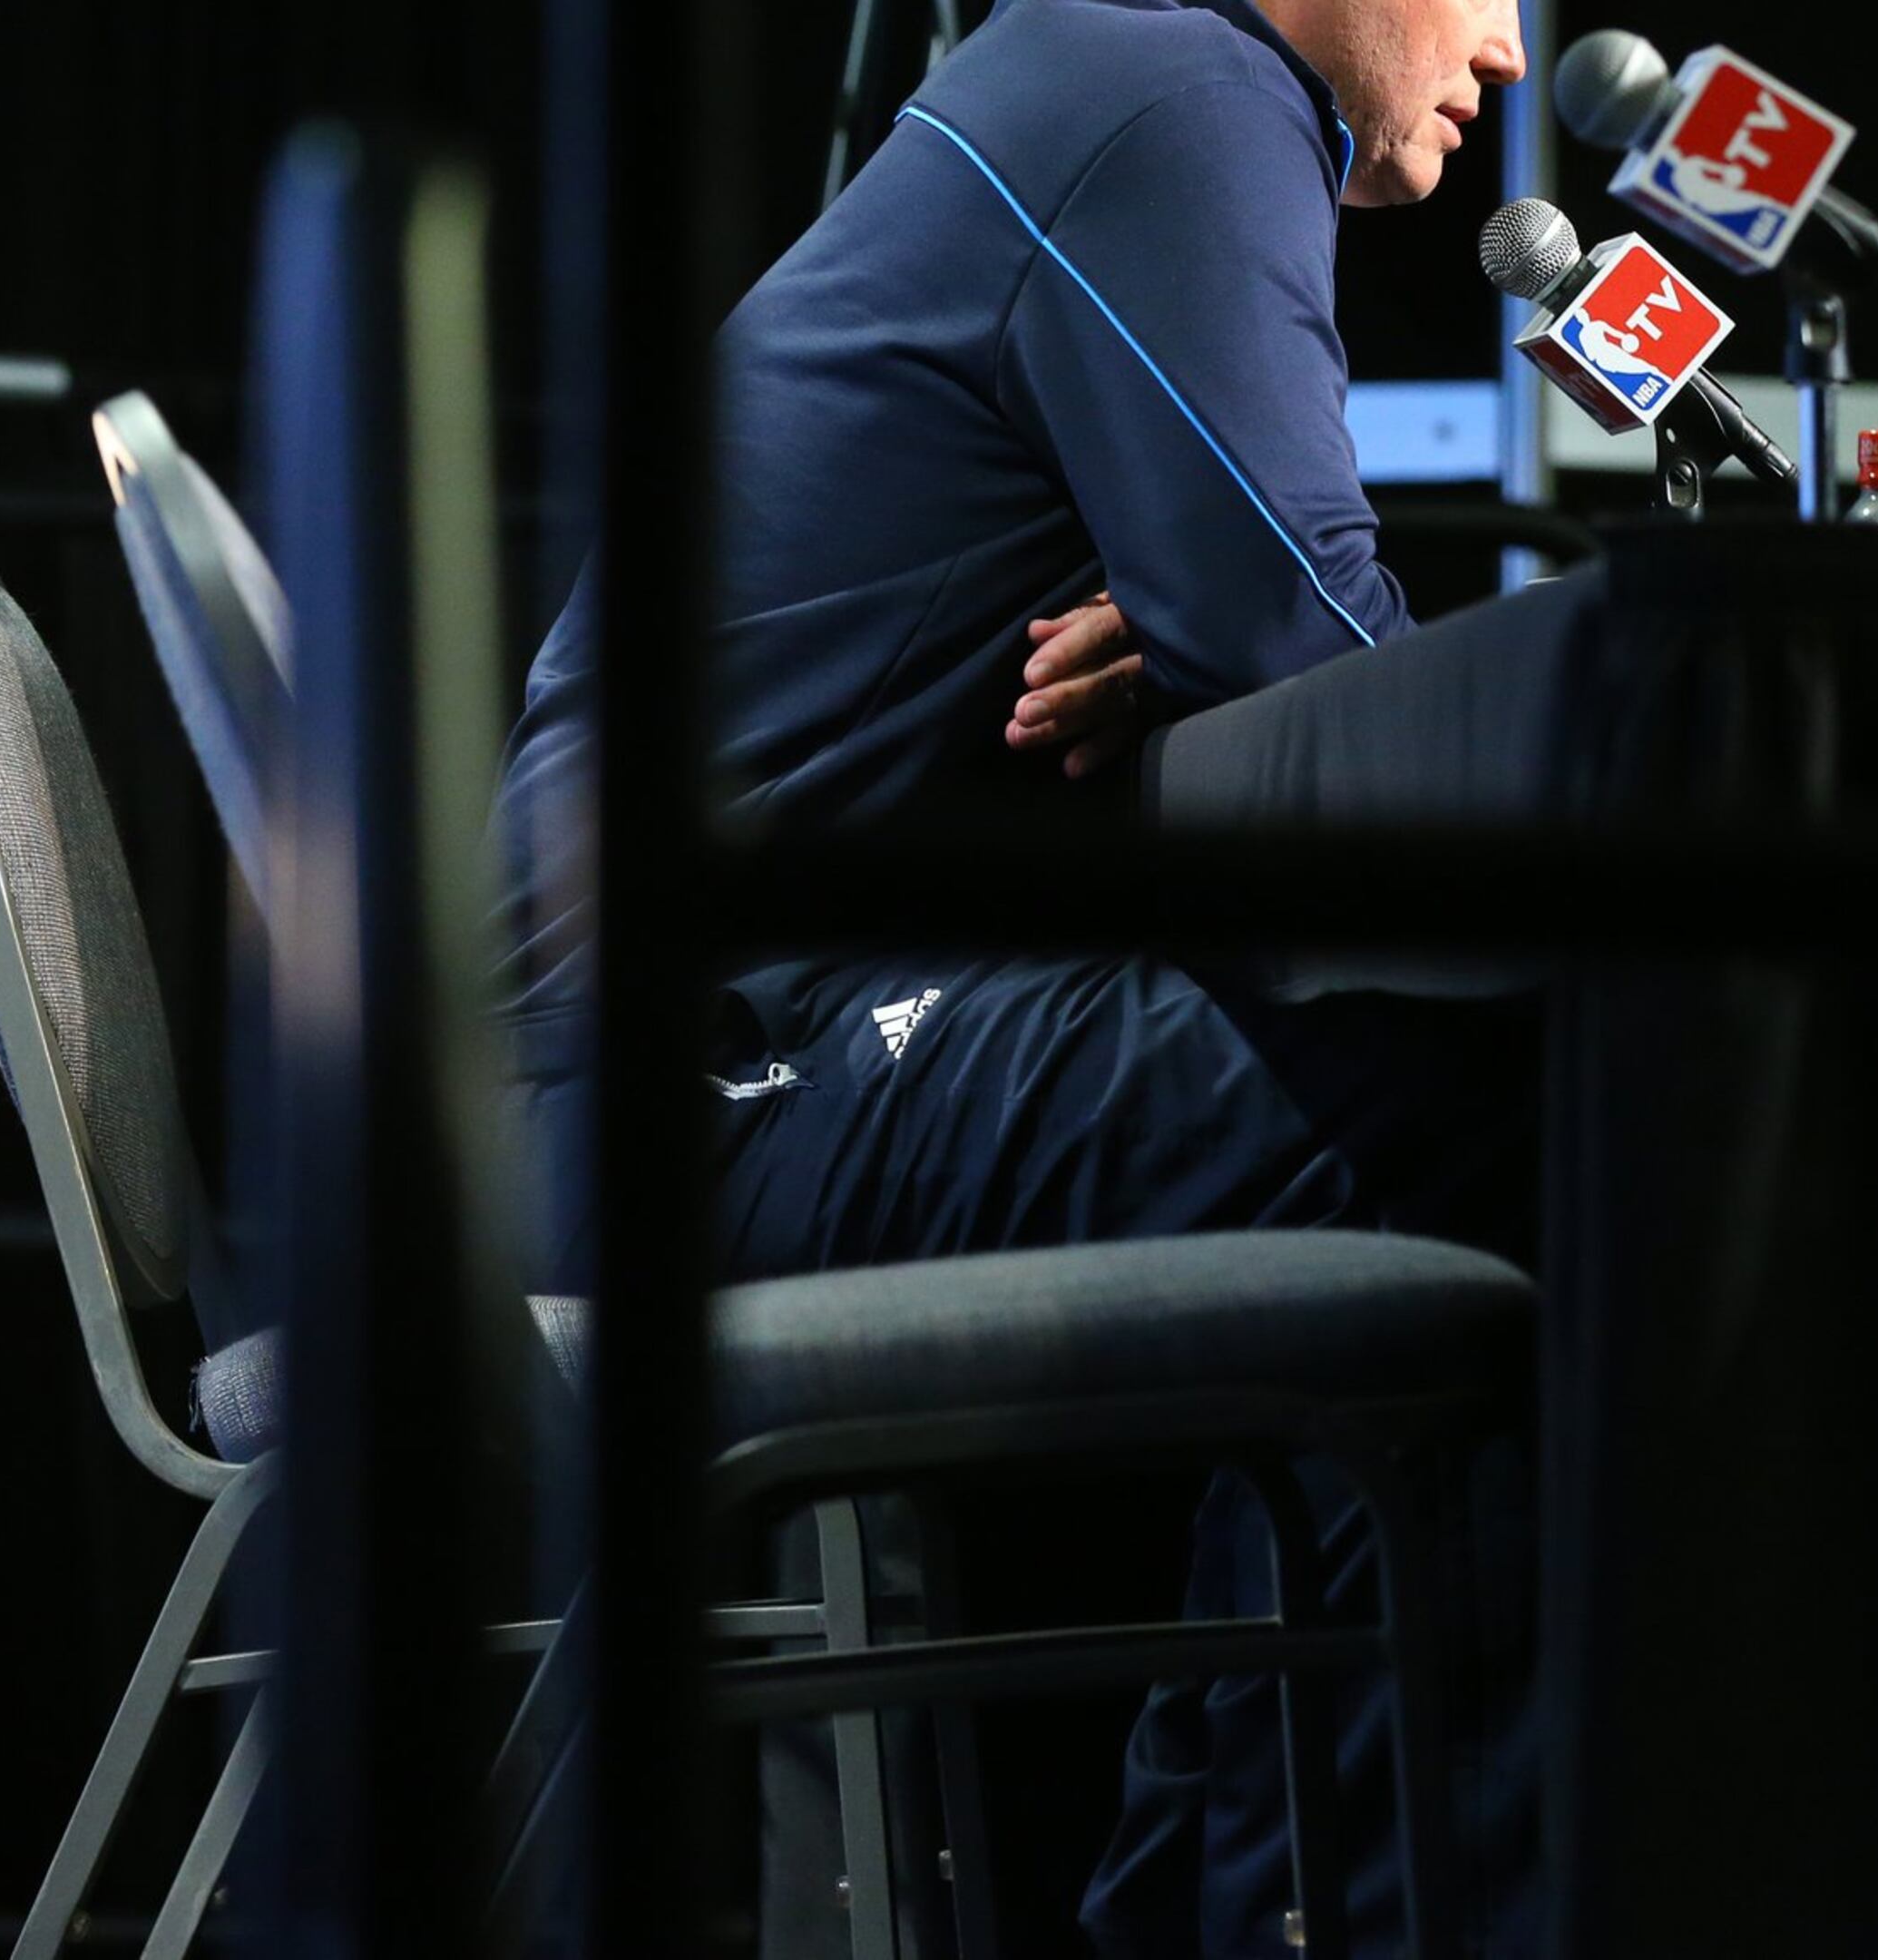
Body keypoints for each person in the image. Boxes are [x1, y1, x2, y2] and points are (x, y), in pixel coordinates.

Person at [491, 0, 1536, 1951]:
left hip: (668, 1069)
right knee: (1511, 1091)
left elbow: (1263, 627)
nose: (1506, 44)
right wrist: (1235, 617)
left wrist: (1200, 614)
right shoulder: (1180, 97)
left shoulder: (1109, 80)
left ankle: (1241, 1910)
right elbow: (1325, 666)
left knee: (1405, 1102)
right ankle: (1316, 1915)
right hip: (658, 1104)